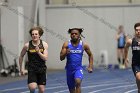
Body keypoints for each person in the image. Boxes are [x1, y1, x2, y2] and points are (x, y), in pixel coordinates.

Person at [60, 28, 93, 93]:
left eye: (76, 34)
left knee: (78, 82)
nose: (74, 35)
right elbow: (61, 58)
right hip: (69, 70)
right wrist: (65, 53)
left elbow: (90, 55)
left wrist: (90, 66)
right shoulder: (66, 44)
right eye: (72, 34)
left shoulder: (84, 45)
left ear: (79, 35)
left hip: (78, 69)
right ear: (70, 35)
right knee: (72, 89)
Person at [19, 26, 48, 93]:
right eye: (32, 34)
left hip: (42, 69)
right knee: (32, 87)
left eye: (36, 34)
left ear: (39, 35)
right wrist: (21, 69)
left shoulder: (44, 44)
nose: (34, 35)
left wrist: (38, 52)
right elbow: (21, 56)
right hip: (32, 69)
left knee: (42, 89)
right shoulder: (27, 45)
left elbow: (45, 58)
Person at [124, 22, 140, 93]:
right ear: (135, 31)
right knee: (138, 77)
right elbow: (126, 48)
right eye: (136, 30)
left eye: (139, 30)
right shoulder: (131, 41)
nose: (138, 31)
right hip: (136, 64)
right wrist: (126, 57)